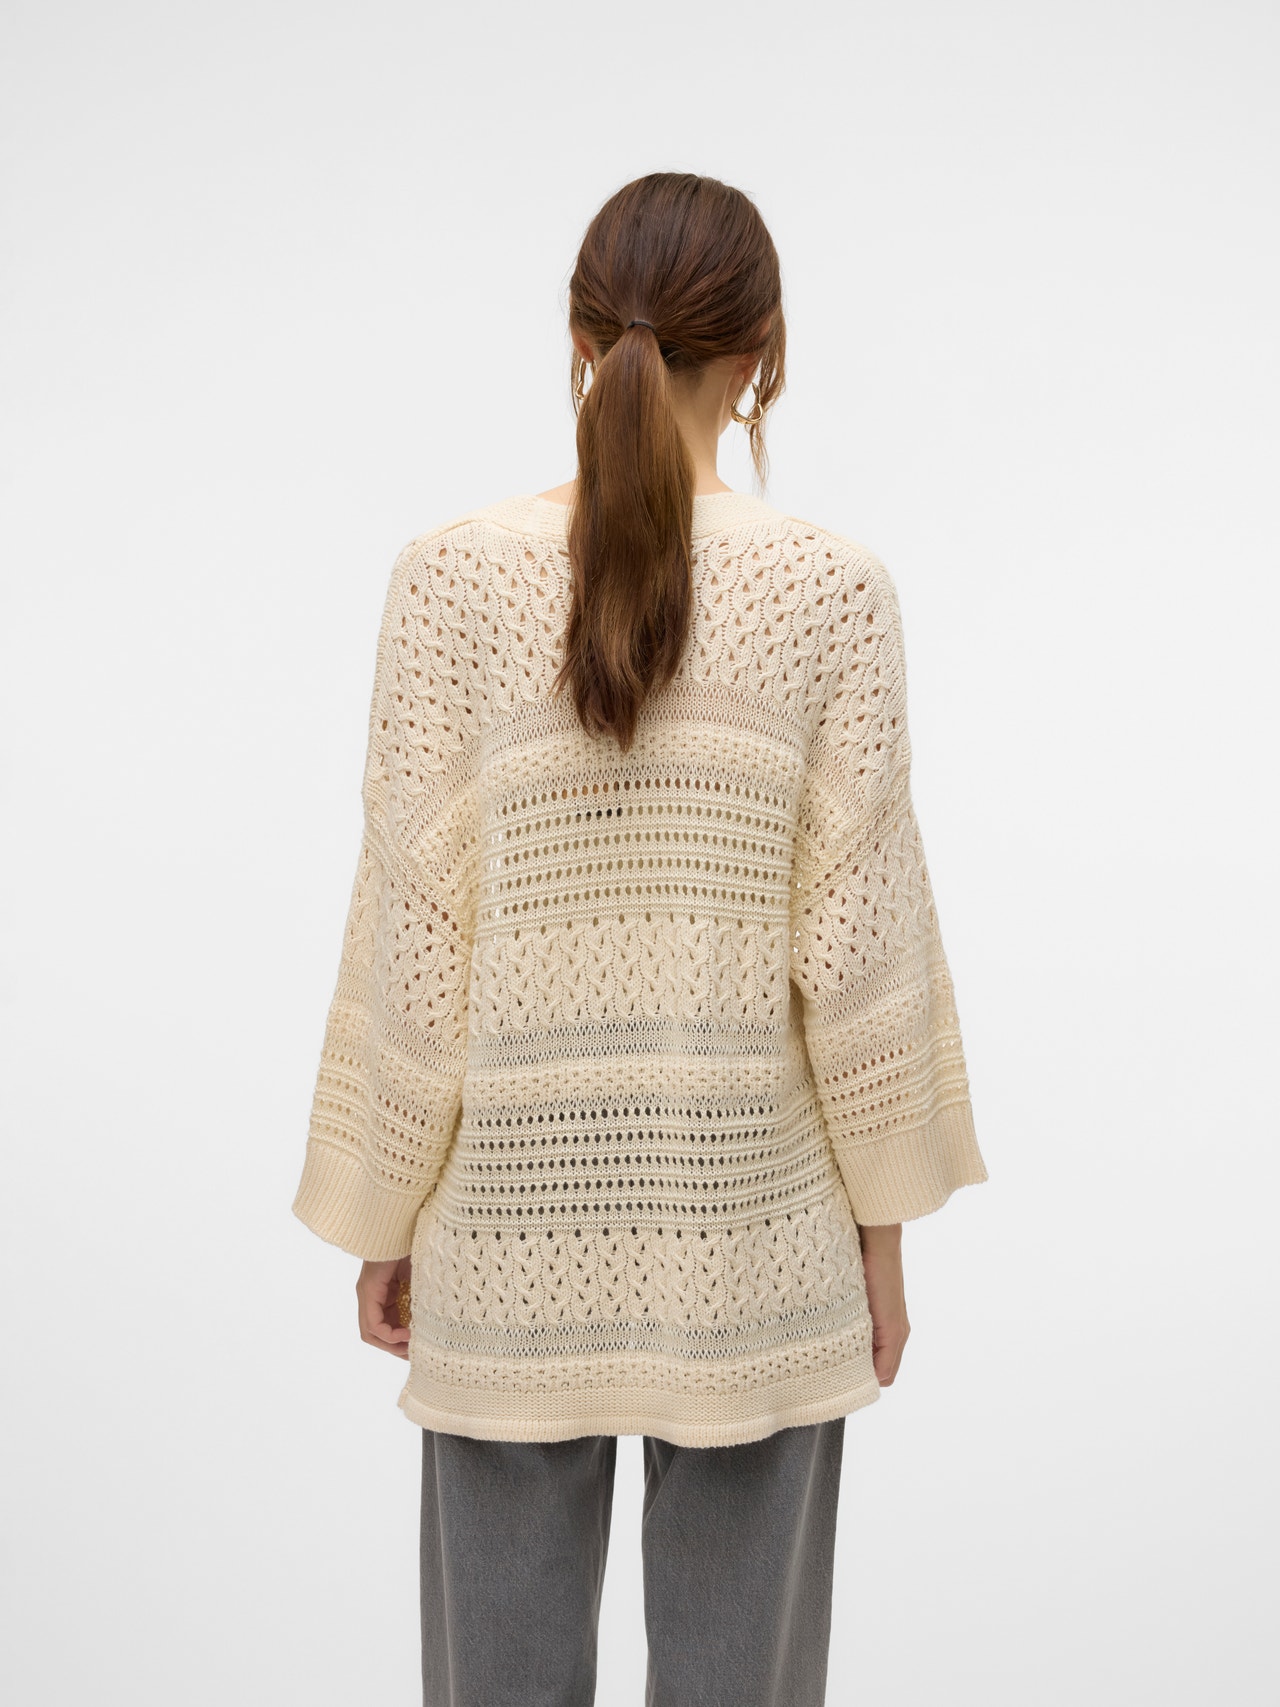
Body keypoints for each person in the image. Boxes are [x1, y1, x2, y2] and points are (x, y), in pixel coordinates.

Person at [291, 171, 989, 1707]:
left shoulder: (448, 579)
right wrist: (882, 1242)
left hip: (506, 1240)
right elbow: (861, 949)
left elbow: (414, 931)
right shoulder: (833, 592)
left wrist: (386, 1209)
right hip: (758, 1244)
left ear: (576, 341)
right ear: (766, 357)